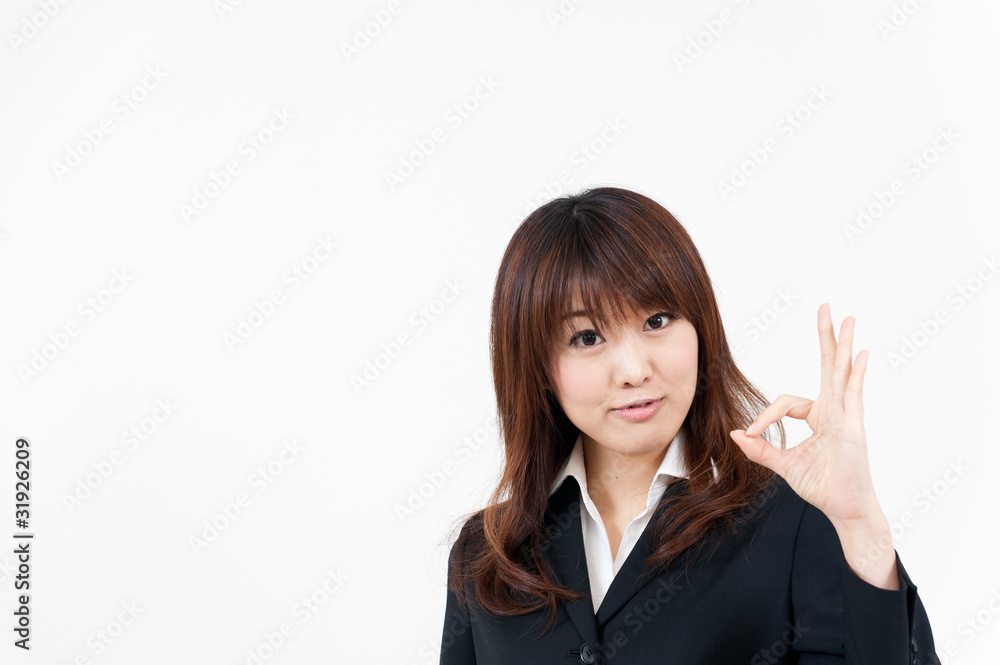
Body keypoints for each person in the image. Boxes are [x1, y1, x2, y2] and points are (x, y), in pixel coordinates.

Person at [439, 186, 939, 664]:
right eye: (586, 337)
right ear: (537, 367)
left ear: (702, 329)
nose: (634, 370)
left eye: (657, 321)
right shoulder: (486, 554)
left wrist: (859, 526)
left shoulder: (795, 522)